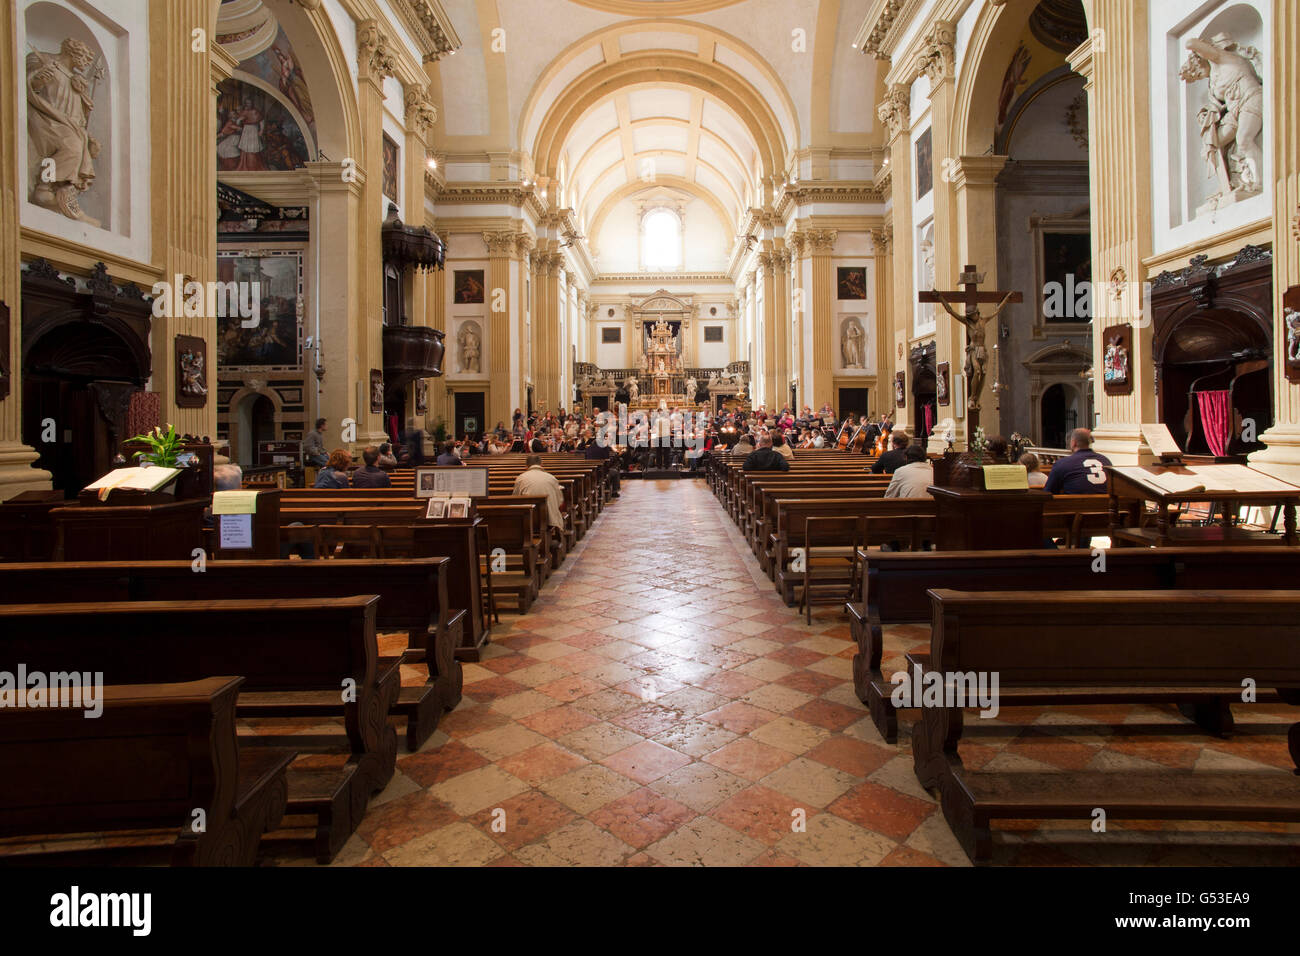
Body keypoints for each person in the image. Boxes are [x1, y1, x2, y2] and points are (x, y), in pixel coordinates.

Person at [1044, 428, 1112, 494]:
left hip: (1075, 505)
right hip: (1105, 504)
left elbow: (1048, 492)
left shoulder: (1062, 463)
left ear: (1073, 443)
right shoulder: (1105, 460)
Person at [512, 455, 565, 534]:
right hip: (549, 520)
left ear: (526, 466)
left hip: (528, 519)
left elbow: (515, 499)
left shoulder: (520, 478)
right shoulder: (551, 478)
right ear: (541, 465)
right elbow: (560, 500)